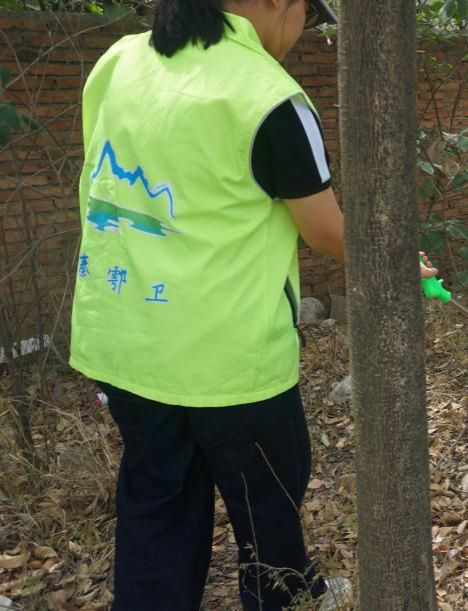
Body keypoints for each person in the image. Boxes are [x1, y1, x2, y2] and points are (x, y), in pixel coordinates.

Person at [69, 0, 434, 607]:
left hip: (128, 345)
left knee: (156, 506)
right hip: (230, 364)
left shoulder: (119, 62)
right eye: (306, 13)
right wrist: (399, 262)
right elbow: (326, 230)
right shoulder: (270, 97)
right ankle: (288, 595)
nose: (301, 30)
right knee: (268, 513)